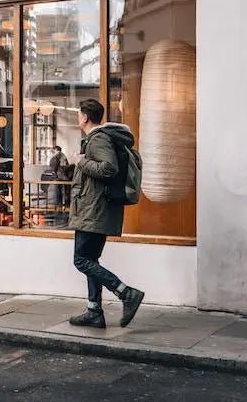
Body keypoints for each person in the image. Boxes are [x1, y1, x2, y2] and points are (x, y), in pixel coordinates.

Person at [68, 98, 144, 329]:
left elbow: (109, 168)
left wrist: (81, 162)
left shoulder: (98, 139)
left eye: (78, 114)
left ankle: (126, 292)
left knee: (81, 260)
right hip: (95, 209)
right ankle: (94, 312)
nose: (77, 117)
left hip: (94, 210)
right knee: (90, 260)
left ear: (84, 117)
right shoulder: (99, 138)